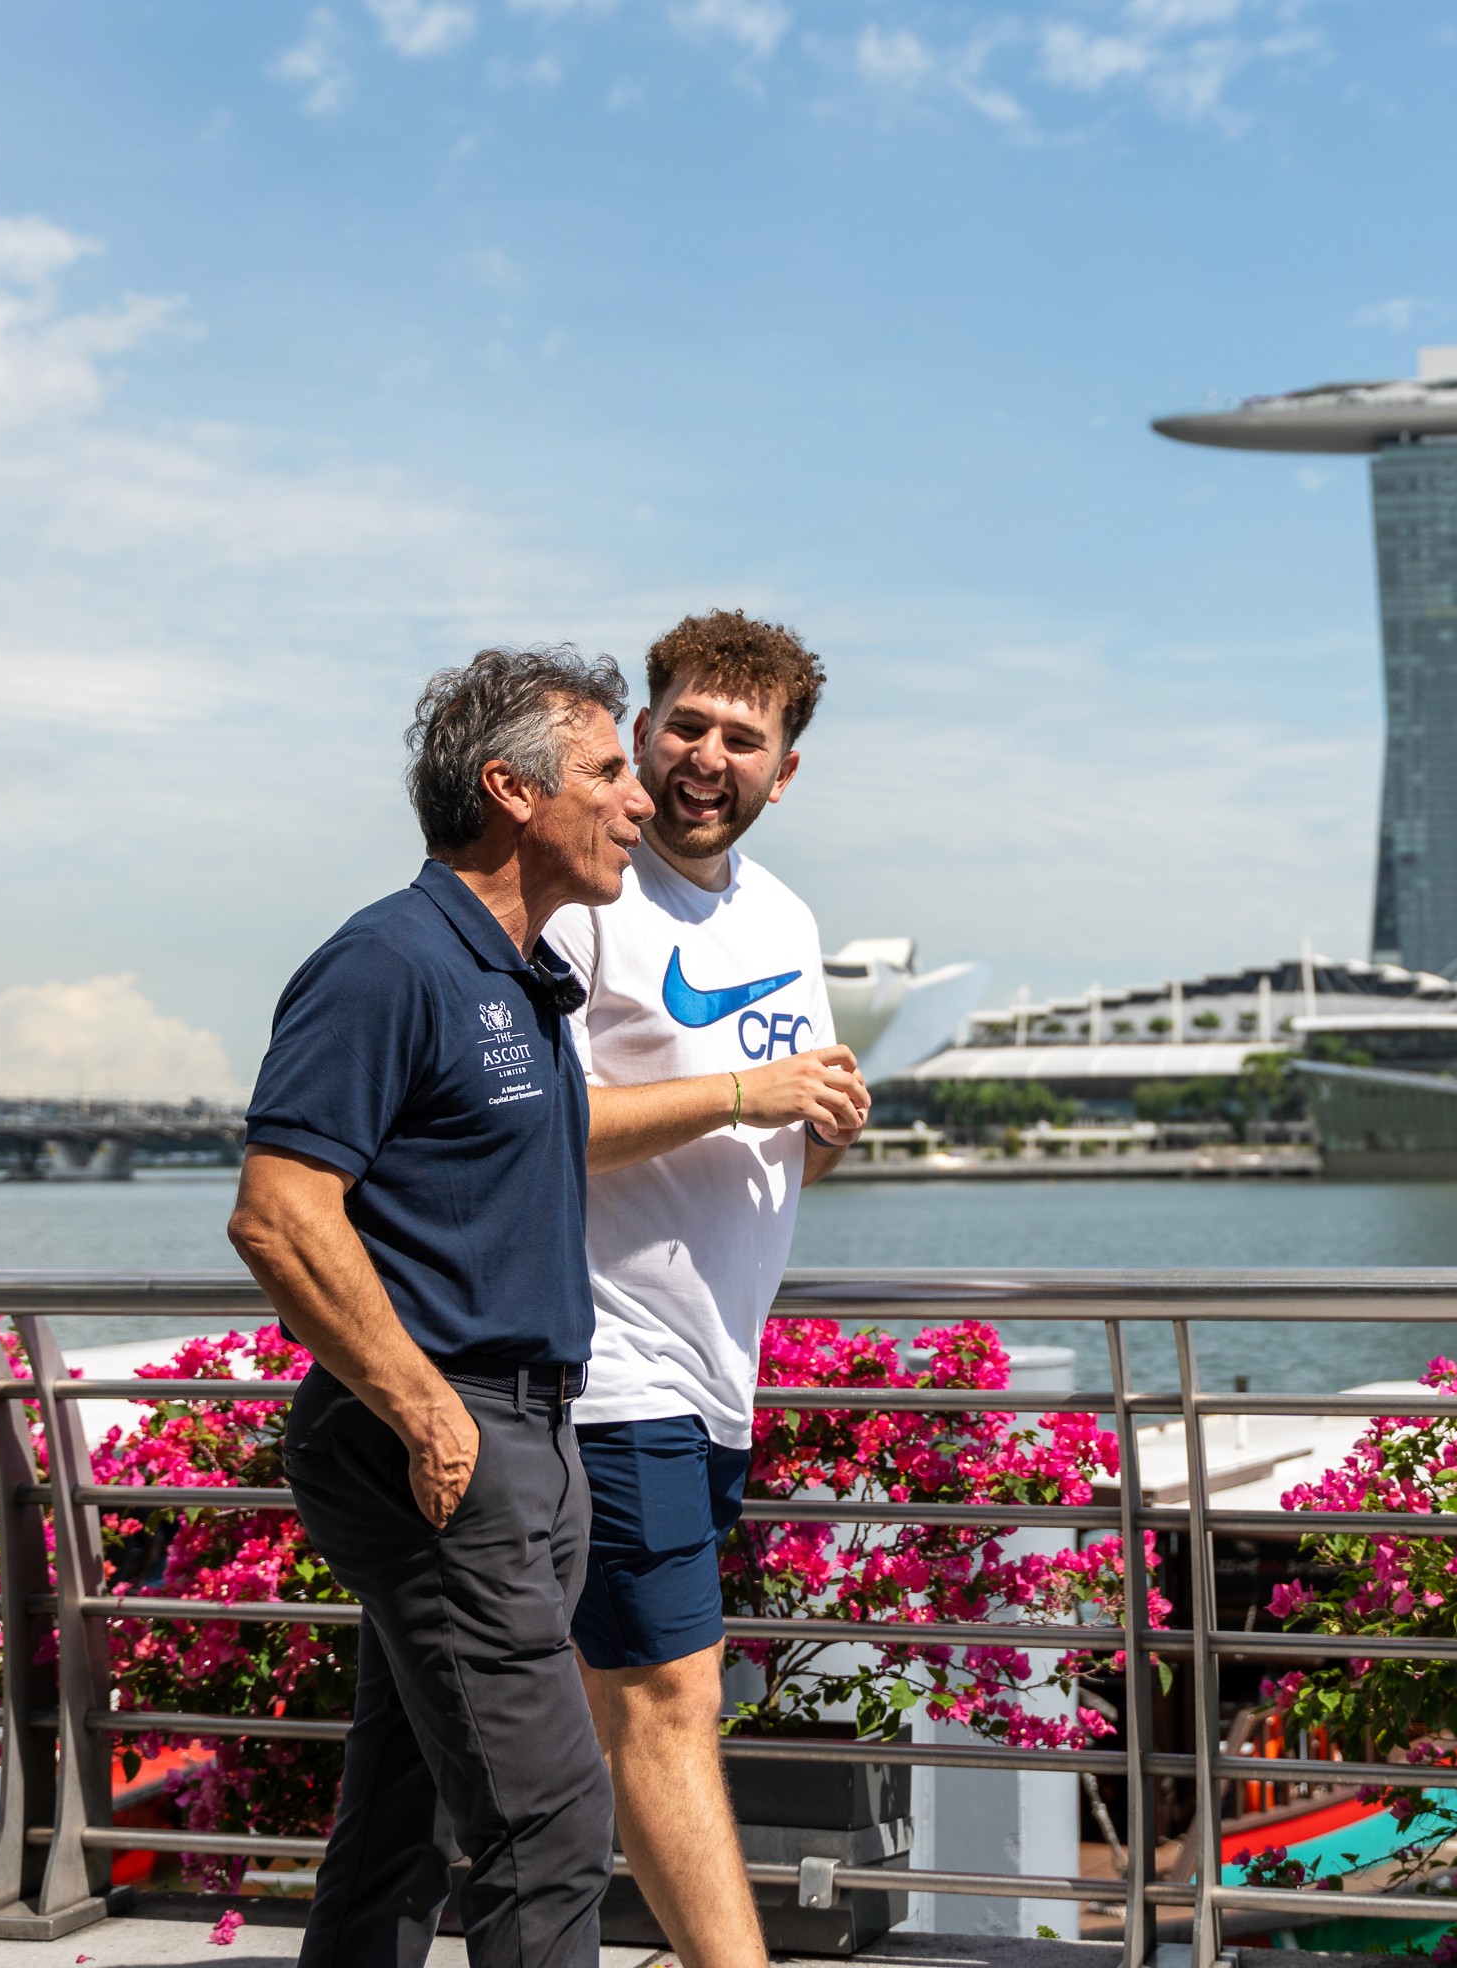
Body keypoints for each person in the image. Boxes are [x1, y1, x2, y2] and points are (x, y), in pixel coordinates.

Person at [228, 647, 654, 1968]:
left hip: (527, 1431)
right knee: (550, 1829)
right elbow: (278, 1210)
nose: (638, 800)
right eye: (609, 769)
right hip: (443, 1438)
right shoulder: (390, 962)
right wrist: (423, 1412)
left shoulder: (522, 979)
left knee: (405, 1813)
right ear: (510, 789)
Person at [544, 611, 871, 1968]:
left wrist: (827, 1128)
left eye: (743, 739)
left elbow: (779, 1116)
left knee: (610, 1706)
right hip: (613, 1369)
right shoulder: (588, 901)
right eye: (686, 724)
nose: (705, 756)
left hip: (721, 1372)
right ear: (642, 729)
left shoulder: (784, 913)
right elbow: (531, 1128)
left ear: (782, 773)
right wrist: (748, 1090)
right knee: (668, 1707)